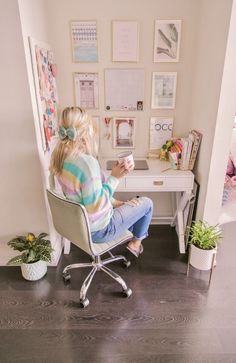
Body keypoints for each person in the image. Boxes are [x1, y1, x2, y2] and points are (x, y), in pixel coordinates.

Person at [50, 107, 153, 257]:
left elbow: (87, 196)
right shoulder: (87, 164)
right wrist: (115, 178)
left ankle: (130, 232)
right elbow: (96, 208)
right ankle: (135, 244)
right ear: (86, 132)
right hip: (100, 230)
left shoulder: (60, 157)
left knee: (131, 204)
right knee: (147, 203)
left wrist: (118, 202)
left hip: (78, 227)